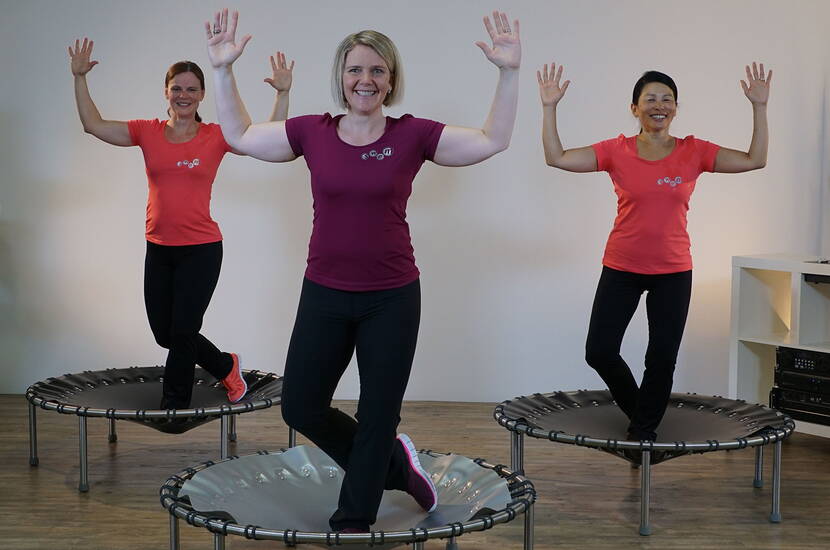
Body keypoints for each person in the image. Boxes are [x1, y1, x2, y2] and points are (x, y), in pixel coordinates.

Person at [204, 8, 520, 532]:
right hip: (324, 293)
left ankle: (352, 522)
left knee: (377, 417)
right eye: (355, 70)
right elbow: (237, 134)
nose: (365, 80)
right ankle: (397, 467)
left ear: (391, 79)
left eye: (376, 70)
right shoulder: (312, 132)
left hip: (392, 298)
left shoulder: (413, 134)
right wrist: (222, 69)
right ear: (341, 77)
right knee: (301, 407)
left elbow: (493, 140)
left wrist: (509, 73)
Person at [538, 62, 770, 442]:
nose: (658, 105)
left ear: (676, 108)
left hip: (673, 271)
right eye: (650, 99)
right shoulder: (617, 151)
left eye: (667, 99)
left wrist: (759, 107)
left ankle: (643, 433)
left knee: (661, 357)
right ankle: (644, 411)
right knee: (599, 350)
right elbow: (557, 157)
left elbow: (754, 159)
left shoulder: (694, 151)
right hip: (622, 266)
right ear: (635, 108)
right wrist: (549, 108)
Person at [68, 37, 294, 409]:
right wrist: (79, 78)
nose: (183, 95)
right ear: (166, 92)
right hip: (158, 248)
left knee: (184, 331)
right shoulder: (147, 131)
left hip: (201, 250)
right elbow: (94, 125)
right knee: (165, 334)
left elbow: (265, 140)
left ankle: (173, 406)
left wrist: (282, 95)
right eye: (177, 88)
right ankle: (225, 365)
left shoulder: (216, 136)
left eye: (191, 89)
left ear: (203, 94)